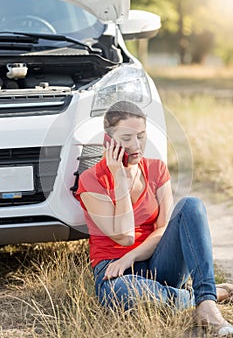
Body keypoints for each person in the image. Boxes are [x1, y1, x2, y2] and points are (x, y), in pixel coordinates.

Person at [75, 101, 233, 336]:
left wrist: (130, 258)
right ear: (108, 141)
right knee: (126, 293)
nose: (136, 145)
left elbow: (162, 231)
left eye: (141, 135)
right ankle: (203, 295)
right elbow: (125, 235)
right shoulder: (91, 180)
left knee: (191, 205)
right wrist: (120, 176)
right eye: (127, 138)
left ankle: (207, 305)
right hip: (115, 273)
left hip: (157, 263)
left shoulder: (157, 169)